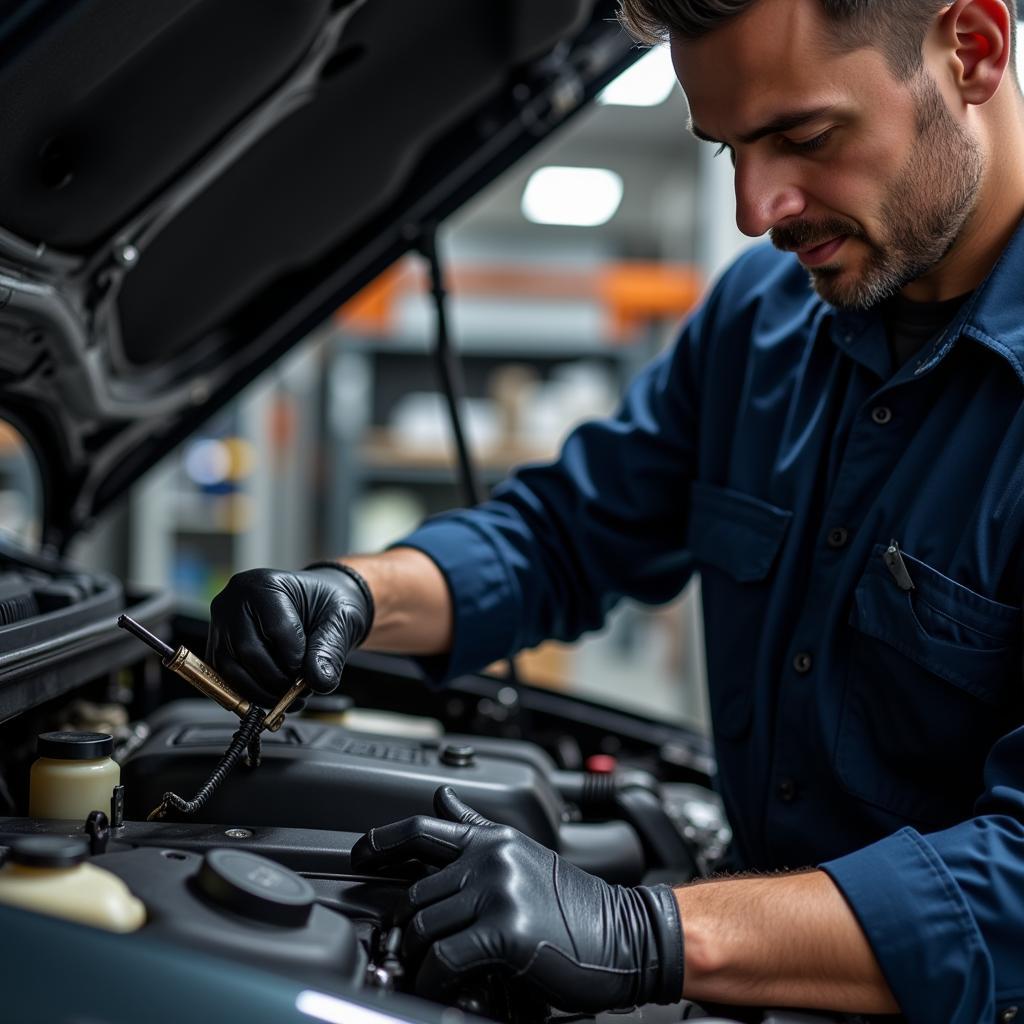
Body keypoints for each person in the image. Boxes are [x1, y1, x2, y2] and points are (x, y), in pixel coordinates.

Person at [205, 1, 1024, 1020]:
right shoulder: (758, 323)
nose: (755, 209)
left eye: (803, 137)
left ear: (973, 50)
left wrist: (651, 932)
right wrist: (353, 596)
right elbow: (564, 534)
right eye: (727, 148)